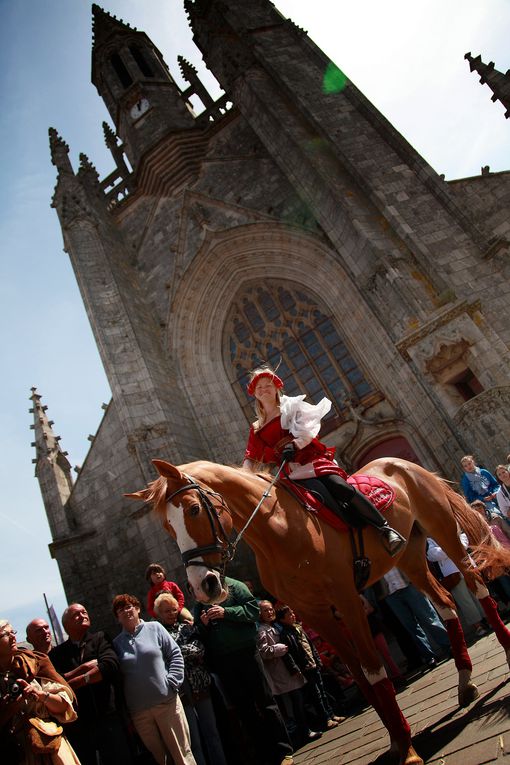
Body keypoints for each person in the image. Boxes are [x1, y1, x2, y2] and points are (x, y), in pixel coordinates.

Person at [242, 365, 405, 556]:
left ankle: (385, 529)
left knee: (338, 487)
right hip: (288, 474)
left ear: (276, 387)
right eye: (259, 387)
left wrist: (295, 445)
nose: (263, 389)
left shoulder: (292, 407)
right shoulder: (257, 428)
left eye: (267, 385)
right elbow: (251, 457)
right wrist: (243, 477)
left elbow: (309, 427)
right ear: (255, 394)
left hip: (310, 460)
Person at [194, 576, 294, 765]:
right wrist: (203, 624)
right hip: (223, 659)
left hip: (247, 652)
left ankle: (284, 750)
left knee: (265, 701)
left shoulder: (234, 586)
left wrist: (226, 612)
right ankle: (264, 753)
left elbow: (253, 610)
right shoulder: (201, 594)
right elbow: (198, 630)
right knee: (244, 708)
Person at [112, 593, 196, 765]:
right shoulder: (116, 644)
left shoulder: (155, 628)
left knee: (182, 756)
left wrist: (172, 681)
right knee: (161, 761)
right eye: (120, 609)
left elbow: (175, 654)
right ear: (117, 617)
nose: (126, 611)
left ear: (137, 609)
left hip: (166, 704)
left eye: (129, 606)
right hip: (140, 714)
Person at [49, 603, 132, 765]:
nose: (82, 615)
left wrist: (74, 681)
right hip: (80, 726)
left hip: (109, 719)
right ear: (66, 625)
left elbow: (109, 666)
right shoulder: (57, 654)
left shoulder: (101, 638)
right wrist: (86, 668)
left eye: (84, 612)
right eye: (76, 615)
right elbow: (57, 683)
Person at [154, 593, 227, 765]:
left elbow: (198, 649)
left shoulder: (187, 628)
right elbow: (161, 660)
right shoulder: (157, 635)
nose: (171, 614)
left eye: (173, 609)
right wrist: (182, 653)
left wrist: (175, 654)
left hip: (199, 685)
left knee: (212, 734)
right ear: (159, 614)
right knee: (192, 741)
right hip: (179, 693)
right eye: (166, 611)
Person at [0, 618, 80, 764]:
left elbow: (65, 705)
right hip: (14, 753)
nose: (12, 636)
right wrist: (9, 708)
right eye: (5, 634)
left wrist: (41, 695)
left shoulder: (33, 662)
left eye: (13, 632)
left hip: (49, 742)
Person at [257, 600, 322, 748]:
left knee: (298, 701)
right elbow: (263, 652)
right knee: (295, 702)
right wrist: (276, 649)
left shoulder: (275, 626)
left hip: (289, 670)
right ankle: (304, 731)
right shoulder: (262, 630)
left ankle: (305, 729)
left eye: (271, 609)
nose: (270, 612)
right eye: (265, 611)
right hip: (280, 673)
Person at [275, 605, 341, 732]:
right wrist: (295, 669)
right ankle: (325, 718)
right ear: (282, 620)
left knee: (322, 691)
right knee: (316, 695)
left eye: (292, 613)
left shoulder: (299, 628)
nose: (293, 615)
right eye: (289, 615)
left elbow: (311, 646)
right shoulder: (285, 635)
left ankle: (331, 714)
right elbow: (288, 656)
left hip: (313, 664)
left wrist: (317, 659)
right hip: (305, 668)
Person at [376, 569, 450, 668]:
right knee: (411, 626)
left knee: (428, 617)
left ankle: (447, 645)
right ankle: (429, 656)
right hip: (390, 593)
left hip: (408, 584)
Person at [426, 538, 488, 638]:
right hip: (452, 573)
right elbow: (433, 555)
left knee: (479, 593)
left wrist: (447, 549)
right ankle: (478, 625)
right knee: (464, 600)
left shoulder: (451, 525)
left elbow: (463, 541)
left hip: (467, 566)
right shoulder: (428, 540)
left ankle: (488, 617)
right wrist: (452, 548)